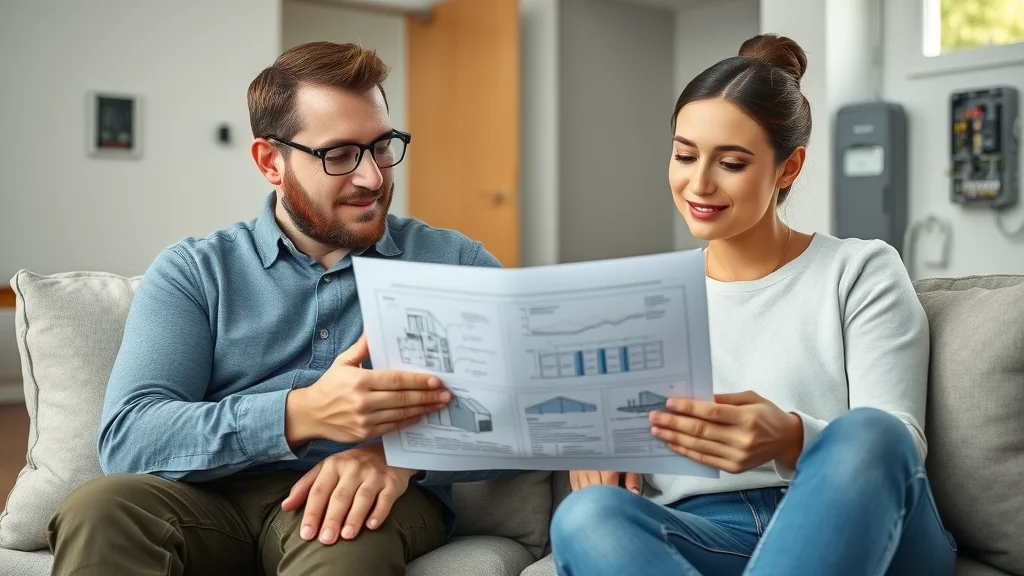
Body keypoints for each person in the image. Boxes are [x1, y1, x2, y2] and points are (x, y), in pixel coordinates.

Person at [47, 41, 509, 576]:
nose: (373, 177)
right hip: (208, 499)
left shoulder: (453, 264)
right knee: (100, 508)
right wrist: (301, 413)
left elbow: (533, 412)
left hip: (363, 500)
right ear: (271, 162)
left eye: (382, 146)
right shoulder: (195, 271)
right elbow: (131, 436)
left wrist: (398, 457)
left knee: (346, 534)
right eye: (340, 155)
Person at [549, 34, 957, 575]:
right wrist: (601, 445)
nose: (699, 183)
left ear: (788, 169)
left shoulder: (859, 270)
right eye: (684, 155)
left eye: (731, 163)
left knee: (870, 432)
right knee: (585, 515)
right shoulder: (645, 297)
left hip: (852, 519)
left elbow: (898, 447)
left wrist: (790, 438)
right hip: (709, 531)